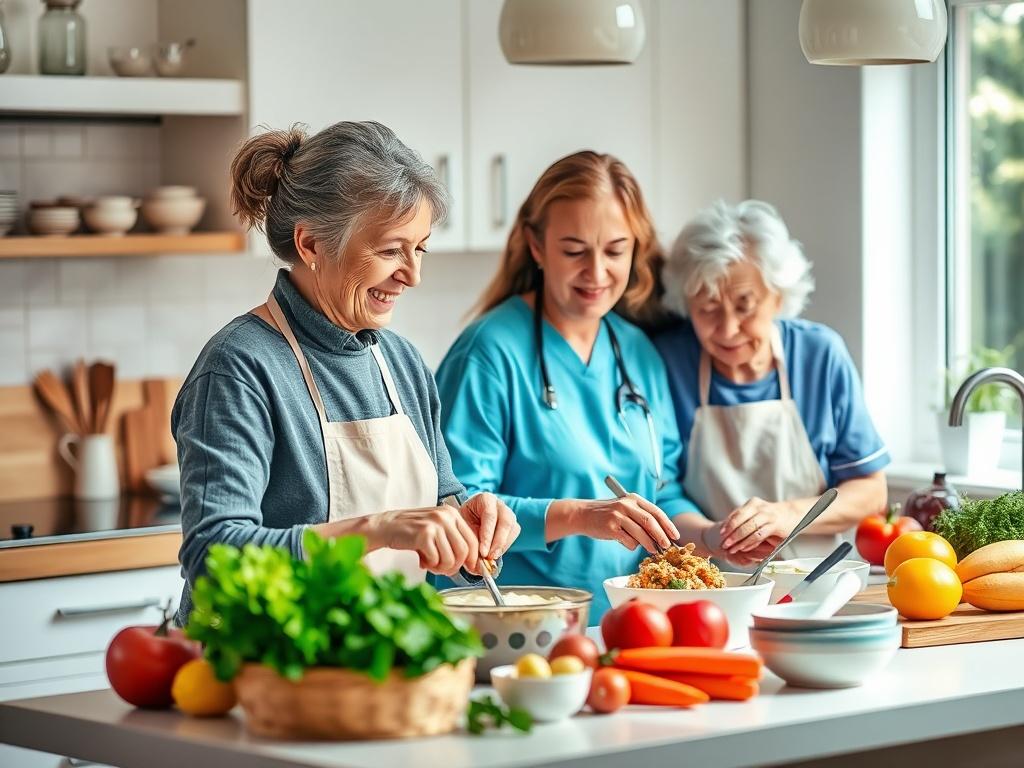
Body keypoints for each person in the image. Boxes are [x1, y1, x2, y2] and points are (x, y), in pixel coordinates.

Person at [173, 121, 519, 623]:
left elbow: (441, 506)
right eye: (389, 250)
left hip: (369, 663)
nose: (413, 275)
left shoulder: (401, 362)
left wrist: (469, 529)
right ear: (311, 244)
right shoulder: (238, 367)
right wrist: (378, 528)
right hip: (256, 671)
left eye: (418, 248)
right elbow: (213, 560)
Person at [434, 151, 699, 619]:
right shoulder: (489, 353)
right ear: (537, 246)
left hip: (629, 623)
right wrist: (581, 515)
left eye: (615, 250)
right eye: (574, 251)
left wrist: (715, 535)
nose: (597, 273)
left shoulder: (638, 352)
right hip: (517, 626)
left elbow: (664, 488)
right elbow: (460, 506)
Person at [653, 200, 889, 567]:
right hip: (707, 586)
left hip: (813, 579)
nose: (728, 329)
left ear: (778, 296)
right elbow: (661, 493)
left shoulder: (819, 354)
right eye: (708, 308)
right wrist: (712, 536)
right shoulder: (667, 361)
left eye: (744, 305)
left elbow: (872, 490)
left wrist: (787, 515)